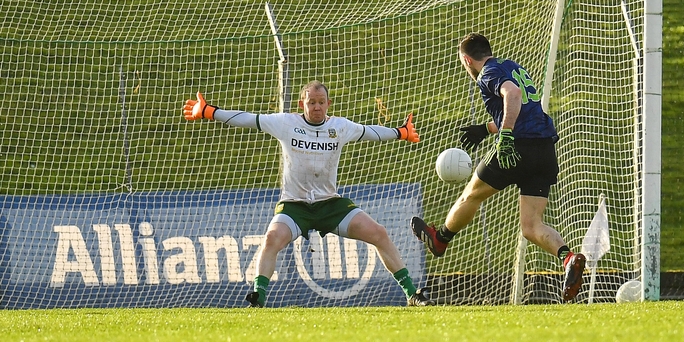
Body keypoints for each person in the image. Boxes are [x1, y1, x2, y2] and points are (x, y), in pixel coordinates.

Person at [183, 80, 434, 307]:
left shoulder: (339, 127)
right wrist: (210, 111)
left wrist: (401, 132)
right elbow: (249, 118)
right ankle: (258, 296)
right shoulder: (286, 123)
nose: (316, 107)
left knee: (379, 233)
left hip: (329, 204)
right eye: (311, 102)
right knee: (271, 239)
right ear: (302, 103)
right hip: (295, 206)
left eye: (321, 102)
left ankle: (412, 294)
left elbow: (371, 131)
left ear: (328, 104)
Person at [410, 32, 586, 302]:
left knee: (471, 195)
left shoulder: (488, 73)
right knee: (531, 226)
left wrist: (504, 135)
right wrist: (486, 128)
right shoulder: (512, 66)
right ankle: (568, 258)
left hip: (517, 146)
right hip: (544, 150)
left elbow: (512, 95)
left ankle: (440, 239)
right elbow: (522, 107)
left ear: (467, 60)